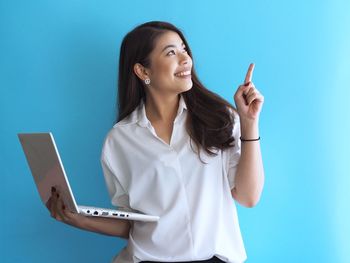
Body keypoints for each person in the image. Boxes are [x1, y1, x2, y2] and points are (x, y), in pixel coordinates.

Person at [46, 21, 265, 263]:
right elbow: (133, 225)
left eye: (184, 49)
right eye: (171, 52)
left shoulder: (220, 118)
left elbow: (248, 196)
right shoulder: (119, 140)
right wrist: (79, 219)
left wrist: (249, 123)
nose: (186, 59)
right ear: (143, 71)